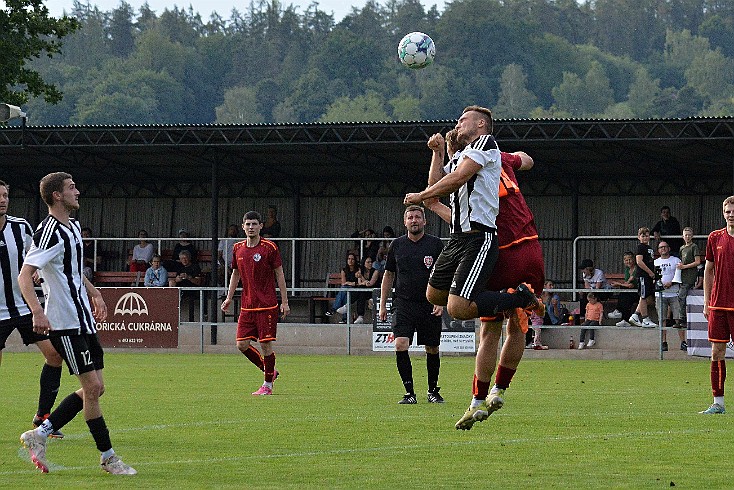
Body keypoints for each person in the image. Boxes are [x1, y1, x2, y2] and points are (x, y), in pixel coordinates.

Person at [422, 128, 544, 430]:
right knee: (516, 324)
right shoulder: (497, 158)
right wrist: (516, 160)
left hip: (495, 249)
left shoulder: (472, 169)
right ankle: (495, 393)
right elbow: (527, 159)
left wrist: (429, 194)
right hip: (526, 244)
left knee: (489, 330)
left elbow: (447, 193)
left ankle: (480, 398)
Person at [18, 172, 136, 474]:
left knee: (97, 389)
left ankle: (40, 434)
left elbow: (71, 271)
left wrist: (95, 292)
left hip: (83, 319)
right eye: (72, 188)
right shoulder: (49, 231)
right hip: (64, 323)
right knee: (93, 387)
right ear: (57, 195)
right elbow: (25, 276)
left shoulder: (72, 228)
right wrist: (37, 312)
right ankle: (108, 457)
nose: (78, 192)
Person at [404, 105, 538, 324]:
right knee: (434, 295)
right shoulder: (461, 156)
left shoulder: (486, 143)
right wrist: (437, 153)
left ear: (480, 123)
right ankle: (500, 300)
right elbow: (435, 185)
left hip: (479, 237)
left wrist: (420, 196)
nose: (458, 123)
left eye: (463, 119)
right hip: (457, 238)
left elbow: (457, 179)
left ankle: (520, 299)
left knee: (458, 309)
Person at [0, 180, 65, 438]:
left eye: (5, 195)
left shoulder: (21, 227)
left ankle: (43, 417)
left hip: (25, 307)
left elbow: (35, 254)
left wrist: (37, 270)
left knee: (54, 355)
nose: (3, 200)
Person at [379, 205, 446, 404]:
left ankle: (433, 391)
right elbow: (389, 274)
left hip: (429, 304)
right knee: (400, 344)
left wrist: (441, 300)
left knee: (432, 348)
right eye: (410, 217)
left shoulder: (435, 245)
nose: (414, 220)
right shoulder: (397, 245)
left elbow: (444, 274)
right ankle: (409, 393)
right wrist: (383, 304)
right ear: (405, 222)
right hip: (403, 304)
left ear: (425, 221)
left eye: (417, 217)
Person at [221, 210, 289, 396]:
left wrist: (284, 301)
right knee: (241, 344)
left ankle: (267, 385)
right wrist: (229, 297)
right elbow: (236, 273)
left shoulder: (269, 248)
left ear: (260, 226)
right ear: (243, 227)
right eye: (248, 224)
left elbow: (279, 274)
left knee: (266, 346)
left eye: (254, 224)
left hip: (267, 305)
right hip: (247, 306)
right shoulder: (238, 248)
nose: (251, 227)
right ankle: (269, 371)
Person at [699, 196, 734, 414]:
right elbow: (708, 270)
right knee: (716, 352)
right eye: (727, 211)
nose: (731, 214)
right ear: (723, 213)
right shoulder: (715, 237)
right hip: (719, 305)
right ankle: (718, 403)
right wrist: (707, 301)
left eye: (733, 210)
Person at [655, 241, 684, 351]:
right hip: (660, 294)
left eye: (665, 247)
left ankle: (683, 342)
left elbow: (679, 273)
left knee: (678, 318)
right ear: (658, 250)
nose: (663, 249)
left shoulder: (675, 260)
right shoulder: (655, 262)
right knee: (662, 319)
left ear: (669, 248)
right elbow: (654, 277)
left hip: (674, 292)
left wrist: (671, 282)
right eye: (661, 247)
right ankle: (663, 342)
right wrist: (661, 284)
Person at [627, 227, 658, 327]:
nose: (645, 238)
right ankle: (645, 319)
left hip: (648, 277)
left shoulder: (649, 248)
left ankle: (635, 315)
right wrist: (650, 272)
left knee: (646, 297)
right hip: (643, 275)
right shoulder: (640, 247)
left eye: (647, 236)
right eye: (643, 236)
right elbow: (639, 261)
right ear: (639, 237)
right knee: (643, 296)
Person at [325, 252, 360, 322]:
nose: (350, 261)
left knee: (344, 290)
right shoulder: (344, 270)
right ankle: (344, 319)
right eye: (349, 259)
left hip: (356, 291)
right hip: (347, 290)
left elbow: (358, 283)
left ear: (355, 261)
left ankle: (334, 309)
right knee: (345, 294)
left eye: (352, 259)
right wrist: (352, 283)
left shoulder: (358, 269)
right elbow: (343, 283)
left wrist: (350, 283)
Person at [677, 227, 701, 331]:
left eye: (689, 235)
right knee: (682, 297)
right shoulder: (682, 248)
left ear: (692, 236)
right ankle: (682, 318)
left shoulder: (694, 246)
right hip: (682, 276)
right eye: (685, 235)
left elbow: (697, 261)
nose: (687, 237)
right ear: (683, 236)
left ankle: (682, 319)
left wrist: (685, 267)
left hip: (690, 276)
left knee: (682, 296)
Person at [611, 252, 639, 327]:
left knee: (625, 293)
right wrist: (622, 284)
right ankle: (624, 319)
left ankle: (619, 312)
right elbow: (627, 283)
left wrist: (619, 284)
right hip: (630, 293)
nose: (628, 262)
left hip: (639, 292)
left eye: (630, 259)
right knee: (625, 297)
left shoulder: (637, 268)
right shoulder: (627, 269)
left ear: (634, 260)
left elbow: (630, 284)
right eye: (626, 260)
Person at [353, 256, 380, 324]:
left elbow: (370, 284)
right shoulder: (361, 271)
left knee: (361, 289)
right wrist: (364, 281)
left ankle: (349, 305)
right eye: (368, 262)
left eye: (371, 262)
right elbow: (360, 283)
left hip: (373, 291)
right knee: (361, 291)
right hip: (364, 292)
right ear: (364, 263)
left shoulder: (375, 271)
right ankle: (360, 316)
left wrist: (362, 277)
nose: (370, 263)